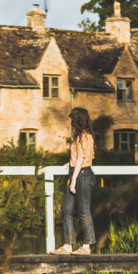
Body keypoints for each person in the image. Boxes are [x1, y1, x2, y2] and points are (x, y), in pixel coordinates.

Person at [52, 107, 95, 254]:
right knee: (66, 210)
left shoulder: (85, 136)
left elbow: (82, 159)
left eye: (73, 119)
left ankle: (87, 246)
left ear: (78, 120)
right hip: (76, 171)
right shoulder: (79, 136)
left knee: (83, 211)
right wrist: (69, 163)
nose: (71, 123)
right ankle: (68, 244)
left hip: (82, 175)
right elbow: (77, 157)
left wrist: (73, 180)